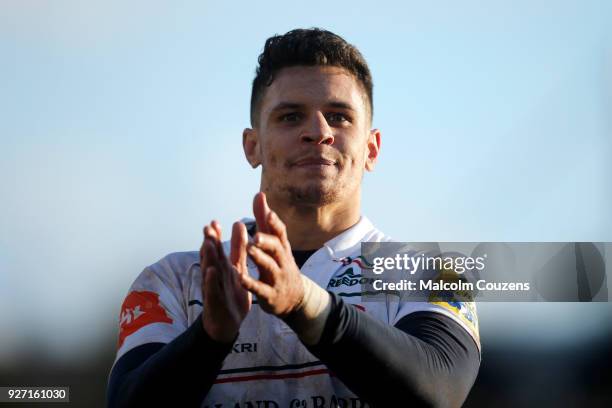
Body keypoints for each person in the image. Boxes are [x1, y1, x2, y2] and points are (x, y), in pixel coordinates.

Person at [107, 28, 481, 408]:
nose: (318, 132)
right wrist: (210, 337)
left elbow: (440, 392)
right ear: (252, 147)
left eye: (339, 116)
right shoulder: (172, 281)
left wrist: (306, 303)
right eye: (290, 117)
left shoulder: (433, 274)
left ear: (372, 148)